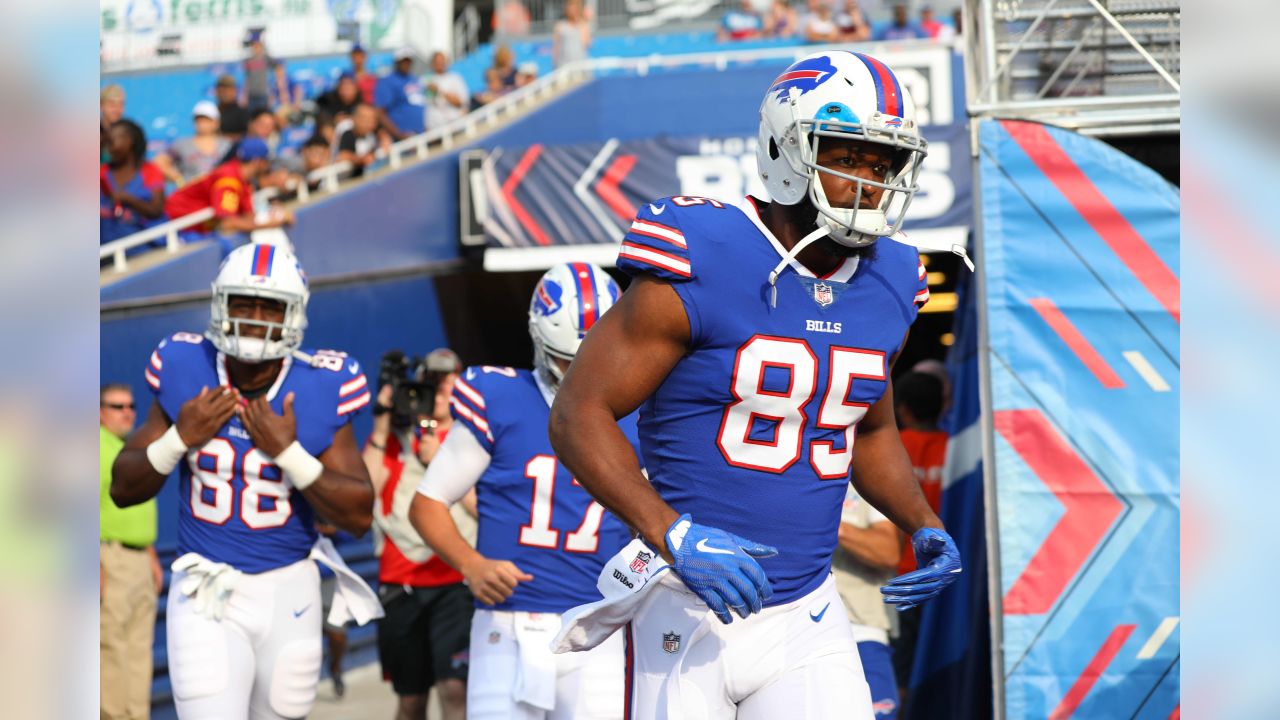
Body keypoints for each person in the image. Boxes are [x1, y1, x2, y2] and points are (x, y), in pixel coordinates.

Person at [546, 51, 963, 719]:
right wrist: (671, 532)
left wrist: (921, 522)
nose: (868, 181)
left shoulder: (894, 280)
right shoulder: (705, 249)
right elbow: (578, 413)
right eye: (847, 154)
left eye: (882, 163)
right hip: (683, 602)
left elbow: (868, 429)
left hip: (807, 609)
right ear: (785, 147)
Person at [110, 243, 380, 719]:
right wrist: (178, 437)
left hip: (290, 591)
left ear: (294, 314)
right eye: (243, 303)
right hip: (205, 590)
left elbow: (358, 514)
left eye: (270, 306)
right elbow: (123, 488)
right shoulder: (182, 364)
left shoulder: (323, 382)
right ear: (220, 304)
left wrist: (289, 453)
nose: (255, 318)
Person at [411, 263, 639, 719]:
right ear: (539, 339)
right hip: (508, 623)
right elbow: (428, 502)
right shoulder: (502, 399)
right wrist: (470, 563)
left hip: (600, 625)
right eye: (566, 359)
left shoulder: (642, 415)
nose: (580, 374)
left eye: (592, 358)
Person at [366, 348, 474, 720]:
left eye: (450, 382)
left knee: (455, 690)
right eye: (433, 382)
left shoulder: (471, 438)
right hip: (401, 584)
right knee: (411, 701)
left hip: (455, 582)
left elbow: (485, 509)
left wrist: (439, 463)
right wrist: (381, 422)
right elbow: (364, 496)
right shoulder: (396, 436)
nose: (441, 391)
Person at [100, 383, 164, 720]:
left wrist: (151, 556)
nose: (126, 412)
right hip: (109, 560)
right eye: (116, 406)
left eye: (130, 406)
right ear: (98, 411)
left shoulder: (129, 448)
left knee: (140, 650)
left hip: (139, 559)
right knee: (111, 650)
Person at [887, 369, 947, 712]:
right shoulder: (957, 447)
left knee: (900, 670)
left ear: (903, 408)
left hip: (901, 575)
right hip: (948, 572)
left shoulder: (889, 447)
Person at [834, 486, 903, 720]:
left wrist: (827, 522)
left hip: (861, 631)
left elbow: (889, 552)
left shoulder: (865, 479)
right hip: (790, 629)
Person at [164, 138, 293, 236]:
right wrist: (271, 224)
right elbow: (227, 223)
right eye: (266, 161)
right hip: (174, 225)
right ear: (258, 162)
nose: (269, 166)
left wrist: (274, 215)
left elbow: (248, 216)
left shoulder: (243, 179)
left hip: (195, 227)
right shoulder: (229, 180)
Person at [100, 119, 167, 244]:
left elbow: (156, 211)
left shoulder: (149, 171)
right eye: (106, 142)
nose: (108, 147)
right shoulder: (101, 172)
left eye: (112, 141)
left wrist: (127, 199)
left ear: (129, 141)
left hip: (143, 250)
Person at [156, 101, 233, 186]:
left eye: (207, 120)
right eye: (199, 119)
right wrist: (177, 177)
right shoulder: (182, 144)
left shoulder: (227, 145)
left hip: (219, 193)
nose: (203, 123)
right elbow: (159, 162)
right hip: (190, 195)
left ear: (216, 122)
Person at [376, 47, 427, 141]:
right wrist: (398, 134)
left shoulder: (415, 79)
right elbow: (380, 112)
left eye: (409, 61)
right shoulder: (388, 81)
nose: (406, 64)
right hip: (401, 139)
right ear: (397, 62)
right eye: (403, 61)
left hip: (420, 136)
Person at [334, 103, 384, 178]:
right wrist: (360, 160)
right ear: (354, 119)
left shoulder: (371, 135)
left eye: (371, 119)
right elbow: (342, 155)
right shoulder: (347, 134)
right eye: (364, 118)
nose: (368, 123)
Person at [243, 29, 288, 111]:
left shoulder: (266, 58)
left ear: (261, 46)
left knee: (264, 114)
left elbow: (279, 68)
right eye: (253, 45)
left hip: (263, 94)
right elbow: (247, 79)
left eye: (258, 45)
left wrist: (281, 89)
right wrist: (244, 95)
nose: (255, 47)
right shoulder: (248, 60)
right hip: (251, 94)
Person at [425, 51, 470, 130]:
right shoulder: (426, 79)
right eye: (437, 61)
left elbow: (461, 102)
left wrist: (439, 91)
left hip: (456, 127)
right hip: (435, 130)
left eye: (442, 60)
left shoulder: (456, 78)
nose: (440, 63)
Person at [552, 0, 591, 68]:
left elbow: (586, 43)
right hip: (564, 66)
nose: (573, 10)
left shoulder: (583, 26)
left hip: (580, 66)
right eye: (571, 7)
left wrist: (582, 21)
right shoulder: (560, 26)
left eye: (576, 8)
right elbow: (556, 47)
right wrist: (555, 64)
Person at [215, 74, 252, 140]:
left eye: (229, 90)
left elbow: (248, 135)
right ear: (217, 91)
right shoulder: (213, 112)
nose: (225, 93)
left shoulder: (242, 112)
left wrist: (222, 138)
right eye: (222, 90)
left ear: (235, 91)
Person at [100, 84, 126, 162]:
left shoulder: (129, 134)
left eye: (120, 104)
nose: (117, 110)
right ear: (101, 106)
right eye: (112, 104)